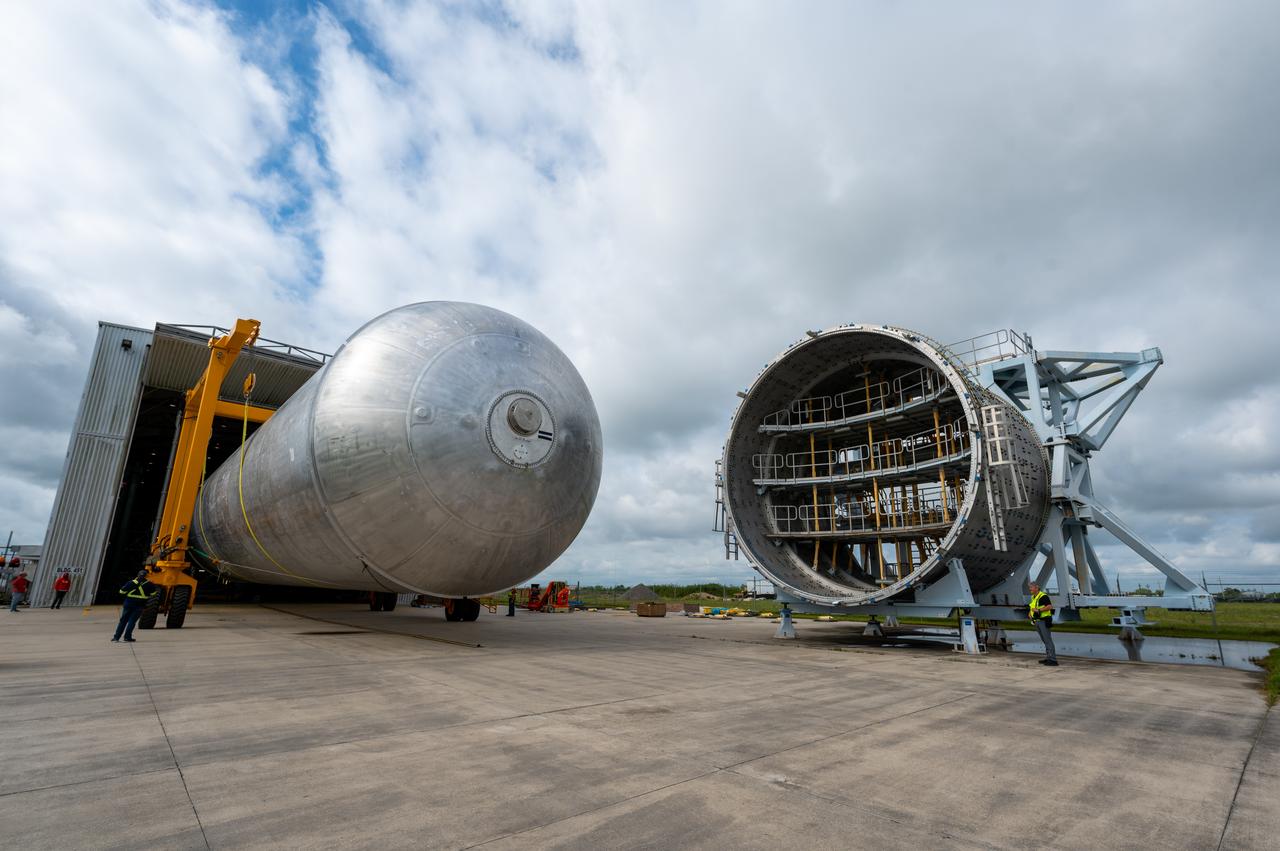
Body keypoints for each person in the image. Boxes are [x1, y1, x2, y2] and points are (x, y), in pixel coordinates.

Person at [112, 570, 156, 642]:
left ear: (138, 575)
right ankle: (127, 637)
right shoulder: (150, 584)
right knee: (132, 621)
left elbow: (121, 591)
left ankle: (116, 637)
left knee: (123, 621)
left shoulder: (131, 583)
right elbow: (153, 594)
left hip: (129, 603)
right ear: (146, 576)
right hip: (140, 605)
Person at [1027, 582, 1058, 666]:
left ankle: (1053, 660)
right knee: (1045, 640)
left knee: (1047, 640)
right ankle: (1049, 657)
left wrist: (1039, 611)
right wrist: (1030, 613)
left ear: (1037, 588)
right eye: (1030, 587)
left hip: (1044, 621)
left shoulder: (1043, 596)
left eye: (1031, 587)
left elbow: (1049, 606)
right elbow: (1033, 608)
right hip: (1037, 620)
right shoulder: (1033, 597)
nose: (1030, 589)